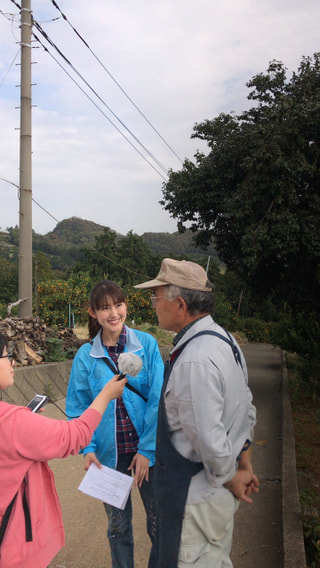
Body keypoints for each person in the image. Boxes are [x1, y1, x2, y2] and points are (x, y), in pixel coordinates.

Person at [135, 258, 259, 568]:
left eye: (156, 297)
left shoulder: (194, 362)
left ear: (179, 304)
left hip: (196, 500)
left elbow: (210, 442)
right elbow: (247, 410)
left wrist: (231, 477)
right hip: (213, 498)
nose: (153, 305)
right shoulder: (225, 341)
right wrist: (244, 464)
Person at [0, 332, 127, 568]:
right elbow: (74, 436)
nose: (14, 362)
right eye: (7, 355)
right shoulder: (12, 422)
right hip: (13, 549)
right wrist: (105, 395)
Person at [66, 280, 164, 568]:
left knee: (159, 525)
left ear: (126, 306)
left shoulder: (146, 344)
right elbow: (78, 408)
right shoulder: (86, 356)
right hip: (109, 458)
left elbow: (158, 398)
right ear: (93, 312)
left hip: (148, 454)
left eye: (118, 305)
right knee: (118, 529)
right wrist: (88, 448)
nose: (113, 313)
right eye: (105, 307)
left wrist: (147, 449)